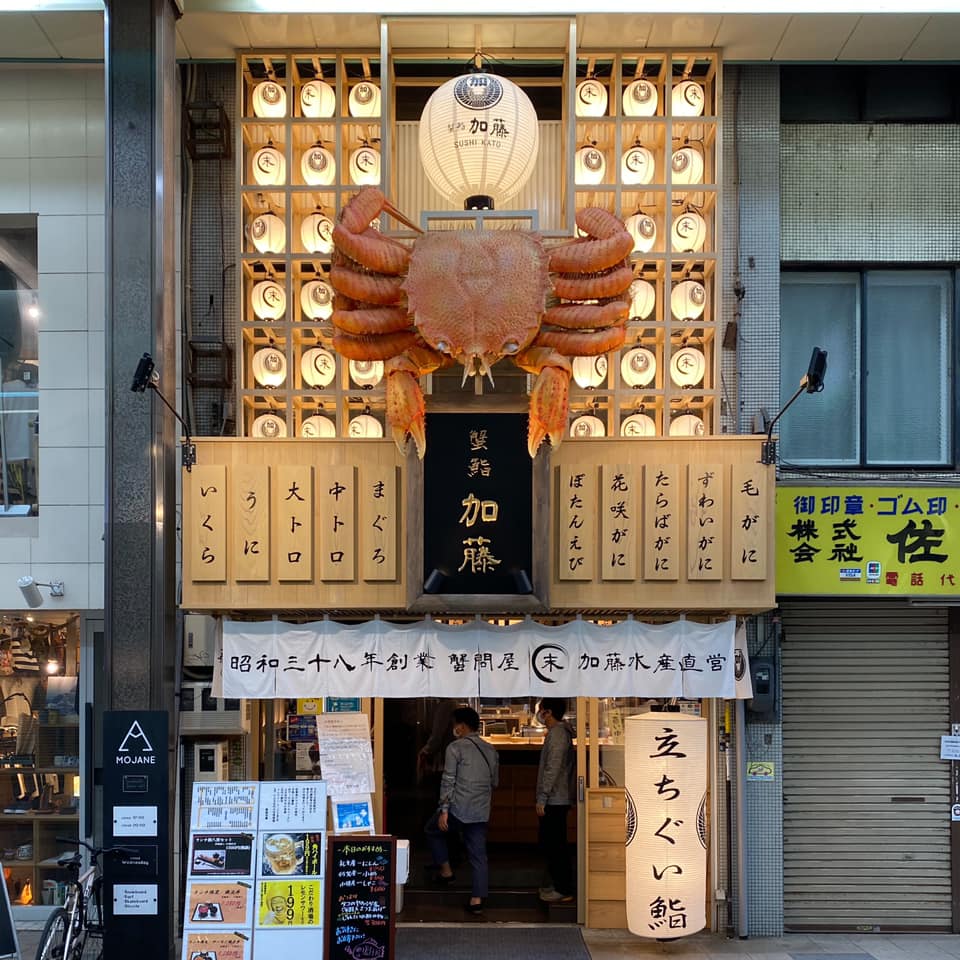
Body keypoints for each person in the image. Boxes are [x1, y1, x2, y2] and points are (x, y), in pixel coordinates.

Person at [424, 706, 499, 915]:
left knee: (432, 830)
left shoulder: (455, 748)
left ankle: (446, 871)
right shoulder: (490, 749)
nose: (453, 728)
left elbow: (448, 780)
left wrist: (444, 810)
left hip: (457, 808)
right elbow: (495, 781)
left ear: (461, 726)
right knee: (478, 854)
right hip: (481, 810)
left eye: (454, 724)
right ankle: (477, 900)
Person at [535, 697, 576, 904]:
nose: (539, 713)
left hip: (555, 799)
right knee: (553, 843)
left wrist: (543, 796)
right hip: (557, 797)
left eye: (540, 709)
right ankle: (560, 886)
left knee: (555, 844)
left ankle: (563, 888)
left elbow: (553, 767)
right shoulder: (558, 732)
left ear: (548, 712)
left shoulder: (558, 734)